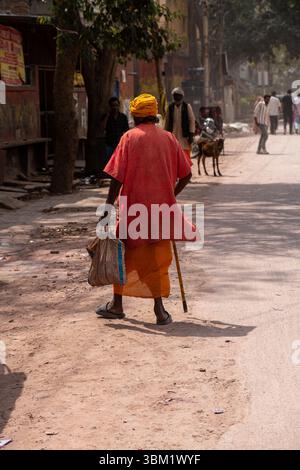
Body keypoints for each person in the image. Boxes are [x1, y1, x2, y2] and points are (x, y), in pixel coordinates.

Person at [97, 94, 194, 325]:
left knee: (124, 255)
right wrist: (171, 195)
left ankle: (117, 305)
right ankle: (159, 310)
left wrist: (108, 207)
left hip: (133, 211)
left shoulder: (129, 138)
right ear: (154, 114)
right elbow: (187, 174)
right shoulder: (170, 139)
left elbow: (116, 176)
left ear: (136, 115)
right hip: (161, 210)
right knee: (157, 257)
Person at [165, 87, 196, 162]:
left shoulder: (187, 106)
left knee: (185, 155)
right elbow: (167, 121)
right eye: (175, 96)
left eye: (178, 96)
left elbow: (192, 120)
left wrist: (191, 134)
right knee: (173, 154)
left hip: (184, 136)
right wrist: (165, 134)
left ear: (182, 97)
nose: (177, 97)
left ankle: (186, 171)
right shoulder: (170, 107)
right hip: (173, 135)